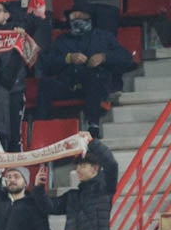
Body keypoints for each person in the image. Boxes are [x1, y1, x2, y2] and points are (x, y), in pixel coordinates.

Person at [38, 7, 133, 137]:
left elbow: (126, 58)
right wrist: (68, 58)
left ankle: (93, 126)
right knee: (45, 84)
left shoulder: (104, 37)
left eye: (81, 16)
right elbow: (46, 63)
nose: (77, 20)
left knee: (94, 77)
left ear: (90, 17)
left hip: (95, 85)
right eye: (73, 17)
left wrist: (104, 57)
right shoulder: (62, 40)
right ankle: (43, 128)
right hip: (69, 84)